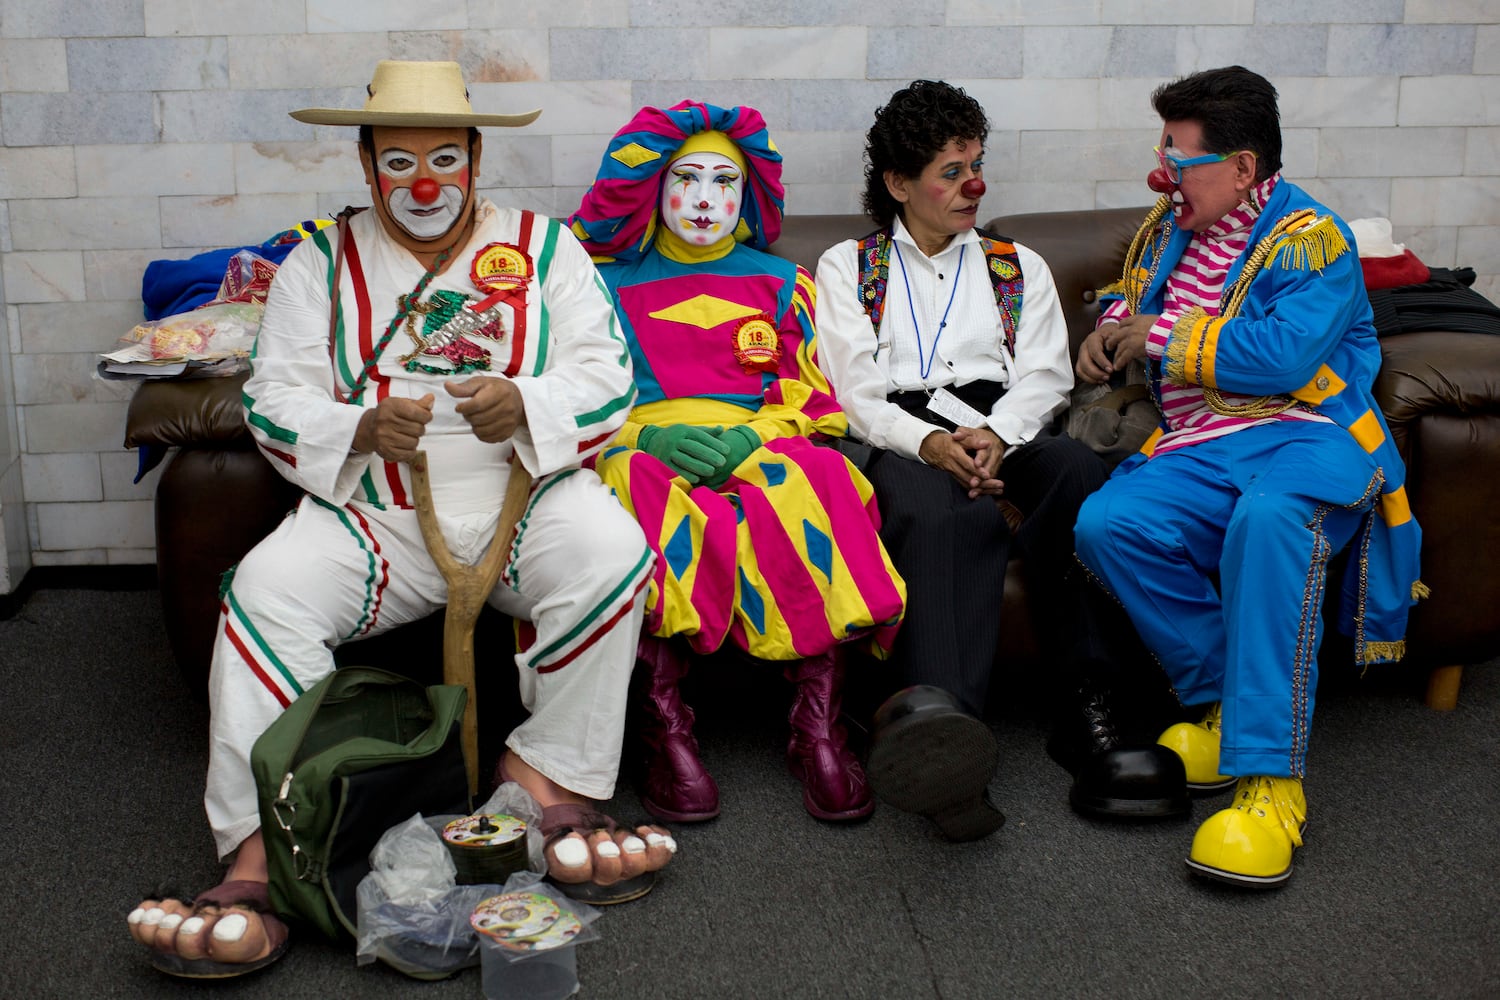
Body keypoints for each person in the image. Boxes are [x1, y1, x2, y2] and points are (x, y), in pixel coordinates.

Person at [126, 61, 675, 978]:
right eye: (400, 160)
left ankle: (550, 780)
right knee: (267, 594)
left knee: (612, 551)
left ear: (476, 157)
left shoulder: (546, 250)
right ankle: (265, 850)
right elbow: (275, 398)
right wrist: (360, 428)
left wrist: (529, 404)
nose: (424, 183)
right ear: (364, 160)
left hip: (523, 498)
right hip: (377, 513)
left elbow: (609, 375)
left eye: (445, 159)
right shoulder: (318, 263)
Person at [1073, 65, 1423, 887]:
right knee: (1109, 524)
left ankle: (1273, 785)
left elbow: (1280, 358)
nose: (1163, 172)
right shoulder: (1172, 225)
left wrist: (1157, 334)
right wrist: (1114, 329)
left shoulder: (1315, 239)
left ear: (1242, 167)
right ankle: (1233, 708)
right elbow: (1137, 296)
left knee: (1270, 520)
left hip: (1308, 436)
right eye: (1163, 149)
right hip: (1205, 445)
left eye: (1180, 157)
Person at [813, 79, 1187, 841]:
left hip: (1004, 425)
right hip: (902, 433)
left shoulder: (1019, 267)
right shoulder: (848, 267)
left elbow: (1047, 374)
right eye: (951, 172)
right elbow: (852, 392)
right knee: (930, 503)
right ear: (897, 183)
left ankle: (1094, 713)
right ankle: (946, 733)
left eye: (977, 165)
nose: (972, 186)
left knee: (1081, 476)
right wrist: (929, 443)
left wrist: (999, 436)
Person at [567, 101, 907, 825]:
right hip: (636, 444)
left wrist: (755, 439)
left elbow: (812, 397)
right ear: (653, 187)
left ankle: (815, 729)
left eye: (725, 181)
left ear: (747, 195)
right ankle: (668, 734)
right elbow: (570, 391)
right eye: (685, 178)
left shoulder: (784, 283)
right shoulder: (596, 281)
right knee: (630, 494)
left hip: (759, 439)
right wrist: (638, 438)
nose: (703, 200)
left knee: (818, 479)